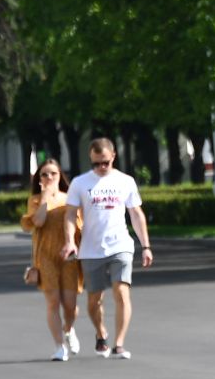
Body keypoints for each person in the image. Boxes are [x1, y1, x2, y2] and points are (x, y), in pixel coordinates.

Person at [60, 137, 154, 359]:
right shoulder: (80, 183)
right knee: (94, 300)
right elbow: (70, 214)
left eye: (105, 162)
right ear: (90, 160)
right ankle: (101, 332)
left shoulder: (126, 181)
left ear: (113, 157)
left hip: (120, 245)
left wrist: (146, 246)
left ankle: (119, 343)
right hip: (91, 249)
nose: (101, 167)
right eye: (96, 163)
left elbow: (136, 214)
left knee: (121, 292)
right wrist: (70, 241)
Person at [21, 158, 84, 362]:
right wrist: (46, 197)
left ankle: (69, 328)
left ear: (60, 176)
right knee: (53, 302)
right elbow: (37, 221)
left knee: (70, 305)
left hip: (69, 254)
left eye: (53, 174)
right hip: (45, 256)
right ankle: (59, 347)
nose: (49, 178)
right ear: (38, 178)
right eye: (44, 174)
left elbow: (80, 224)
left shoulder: (70, 198)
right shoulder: (36, 200)